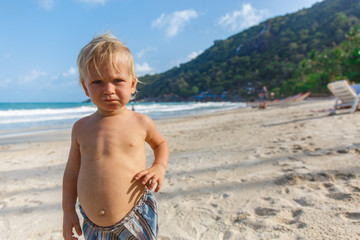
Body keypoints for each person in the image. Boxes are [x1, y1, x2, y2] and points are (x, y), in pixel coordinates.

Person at [62, 33, 169, 240]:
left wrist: (159, 167)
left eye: (117, 80)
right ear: (85, 87)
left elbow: (161, 144)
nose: (108, 90)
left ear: (132, 84)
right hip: (92, 225)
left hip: (135, 216)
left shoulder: (140, 122)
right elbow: (71, 171)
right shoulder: (81, 128)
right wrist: (68, 212)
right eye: (97, 82)